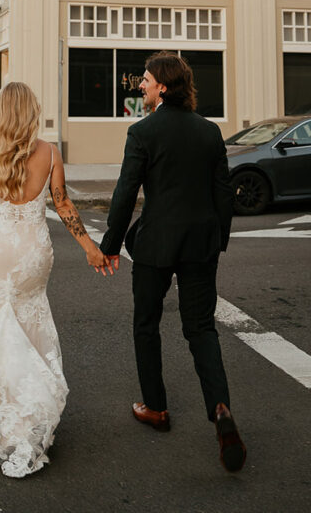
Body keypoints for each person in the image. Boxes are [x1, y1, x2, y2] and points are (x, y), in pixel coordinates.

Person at [0, 81, 112, 479]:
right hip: (32, 254)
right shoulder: (49, 153)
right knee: (28, 324)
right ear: (29, 112)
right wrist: (89, 247)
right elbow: (63, 203)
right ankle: (25, 415)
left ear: (0, 110)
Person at [100, 51, 246, 473]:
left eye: (145, 80)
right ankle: (219, 407)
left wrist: (110, 244)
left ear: (162, 85)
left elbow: (126, 192)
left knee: (146, 322)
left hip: (156, 246)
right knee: (201, 328)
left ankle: (156, 408)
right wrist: (218, 237)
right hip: (200, 244)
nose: (140, 85)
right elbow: (223, 191)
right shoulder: (209, 132)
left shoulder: (142, 132)